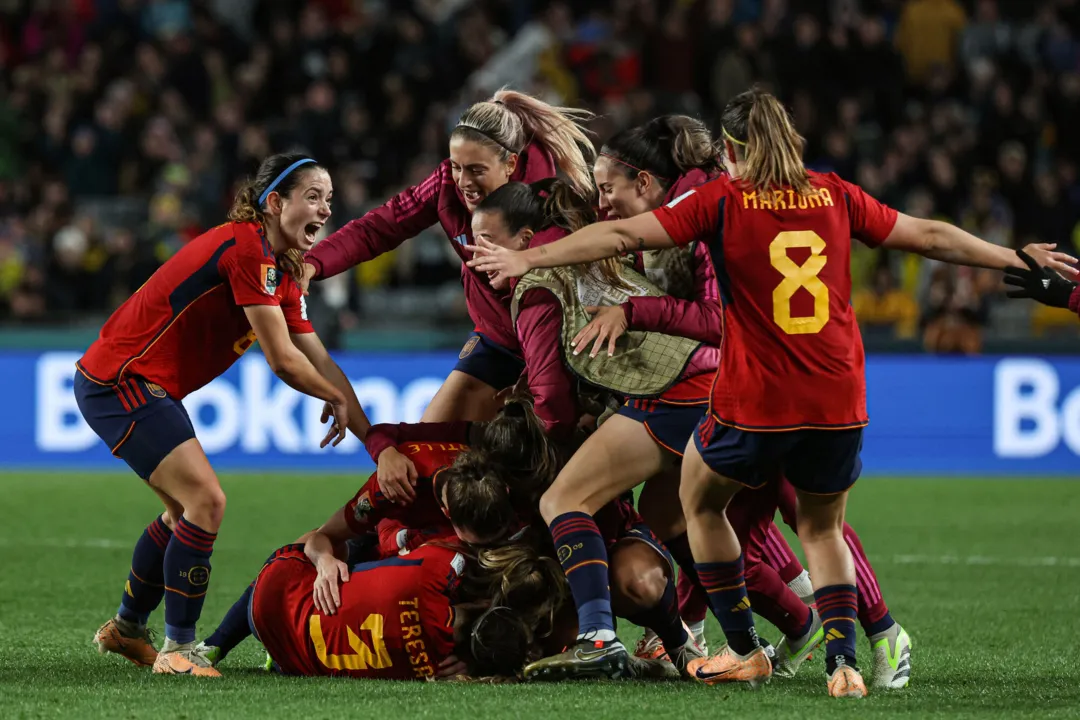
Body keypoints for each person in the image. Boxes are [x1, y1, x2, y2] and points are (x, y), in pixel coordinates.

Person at [466, 87, 1076, 697]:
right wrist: (1015, 259)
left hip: (759, 397)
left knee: (698, 501)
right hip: (840, 393)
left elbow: (622, 238)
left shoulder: (724, 200)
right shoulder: (836, 193)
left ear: (732, 149)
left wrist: (530, 261)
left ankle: (741, 649)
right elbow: (929, 236)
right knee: (822, 528)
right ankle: (844, 663)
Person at [77, 153, 372, 677]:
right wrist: (333, 399)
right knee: (206, 502)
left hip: (143, 385)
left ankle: (126, 629)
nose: (325, 209)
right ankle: (179, 649)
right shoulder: (246, 248)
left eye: (329, 198)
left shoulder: (282, 270)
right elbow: (283, 361)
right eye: (312, 196)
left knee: (182, 511)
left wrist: (372, 436)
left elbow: (318, 357)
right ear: (275, 202)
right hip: (121, 381)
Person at [302, 89, 594, 423]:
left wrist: (537, 384)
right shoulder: (446, 185)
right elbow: (381, 226)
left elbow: (552, 305)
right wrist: (312, 263)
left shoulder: (550, 206)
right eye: (456, 166)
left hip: (552, 345)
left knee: (545, 447)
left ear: (510, 164)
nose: (463, 182)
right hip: (497, 338)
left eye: (476, 170)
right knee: (423, 453)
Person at [247, 541, 555, 680]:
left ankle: (215, 642)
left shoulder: (431, 572)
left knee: (350, 546)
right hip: (291, 660)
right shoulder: (437, 668)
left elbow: (454, 552)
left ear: (487, 604)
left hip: (274, 586)